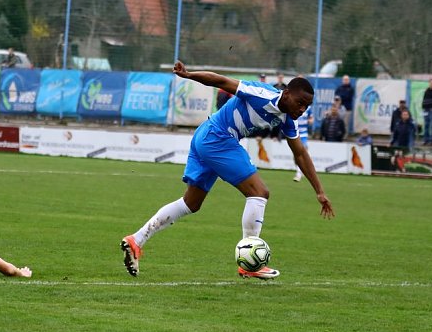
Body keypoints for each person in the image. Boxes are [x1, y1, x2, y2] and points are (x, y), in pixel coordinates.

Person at [120, 61, 334, 280]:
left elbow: (300, 154)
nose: (302, 109)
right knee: (259, 193)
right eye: (300, 103)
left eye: (306, 106)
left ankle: (136, 240)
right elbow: (221, 81)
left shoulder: (288, 119)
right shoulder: (262, 94)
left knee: (191, 203)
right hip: (218, 137)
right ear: (286, 94)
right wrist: (189, 75)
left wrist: (319, 191)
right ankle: (250, 265)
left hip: (207, 135)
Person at [293, 103, 313, 182]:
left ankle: (298, 173)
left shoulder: (308, 108)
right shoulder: (294, 106)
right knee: (295, 155)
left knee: (301, 152)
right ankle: (300, 170)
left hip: (304, 134)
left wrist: (309, 121)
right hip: (295, 133)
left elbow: (311, 119)